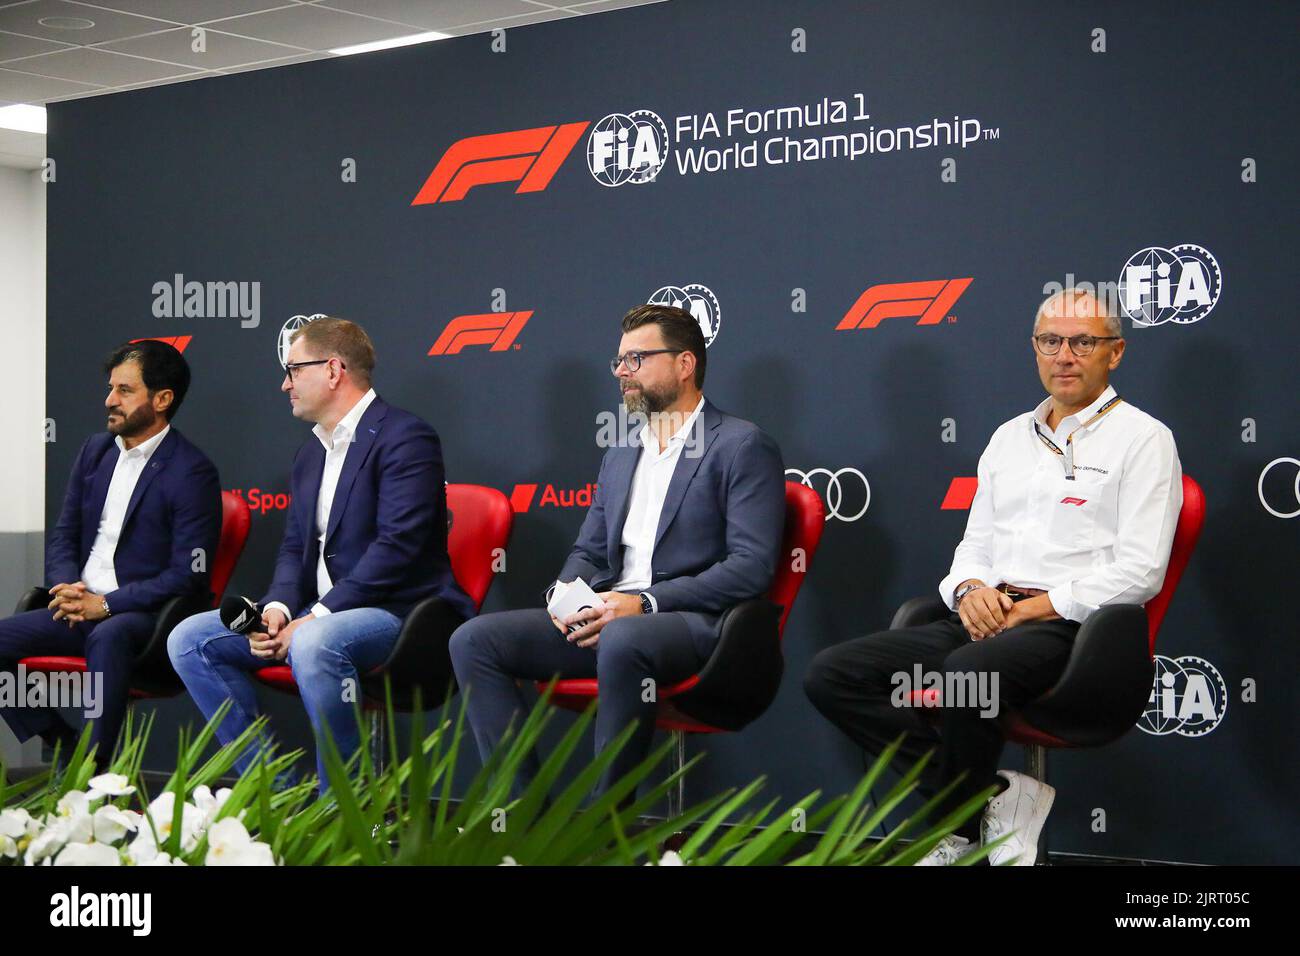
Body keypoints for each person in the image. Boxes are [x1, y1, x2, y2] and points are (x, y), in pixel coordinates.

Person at [804, 288, 1182, 865]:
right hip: (984, 619)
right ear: (1035, 349)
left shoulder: (1145, 439)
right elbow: (974, 544)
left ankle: (953, 835)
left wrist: (1035, 607)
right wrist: (968, 589)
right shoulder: (1008, 438)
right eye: (1050, 341)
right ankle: (987, 796)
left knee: (966, 675)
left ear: (1117, 352)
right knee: (834, 675)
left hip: (1073, 633)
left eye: (1083, 342)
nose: (1065, 355)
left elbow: (1141, 570)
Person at [449, 303, 786, 797]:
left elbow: (750, 567)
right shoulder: (623, 450)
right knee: (474, 640)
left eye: (637, 359)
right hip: (612, 614)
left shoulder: (741, 445)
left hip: (694, 623)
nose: (622, 373)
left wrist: (645, 603)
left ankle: (607, 828)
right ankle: (520, 818)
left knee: (626, 638)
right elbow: (589, 548)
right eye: (619, 361)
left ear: (685, 364)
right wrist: (565, 596)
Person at [168, 317, 472, 786]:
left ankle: (345, 812)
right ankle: (275, 794)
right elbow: (295, 546)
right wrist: (276, 608)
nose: (284, 383)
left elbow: (398, 547)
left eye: (293, 369)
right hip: (316, 613)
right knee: (188, 638)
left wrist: (315, 617)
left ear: (333, 370)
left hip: (402, 613)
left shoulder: (406, 437)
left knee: (313, 641)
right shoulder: (310, 452)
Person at [0, 339, 220, 767]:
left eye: (124, 390)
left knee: (110, 633)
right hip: (78, 605)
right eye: (111, 387)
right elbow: (65, 532)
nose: (109, 400)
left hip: (142, 618)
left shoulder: (192, 471)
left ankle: (95, 775)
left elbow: (187, 575)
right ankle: (65, 745)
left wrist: (104, 604)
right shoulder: (94, 451)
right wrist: (66, 587)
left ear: (162, 399)